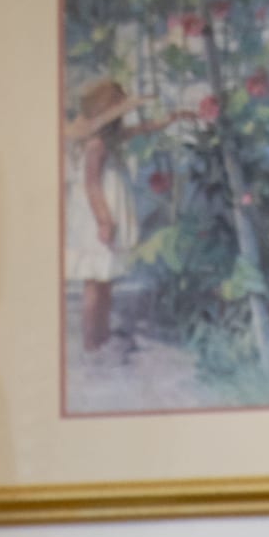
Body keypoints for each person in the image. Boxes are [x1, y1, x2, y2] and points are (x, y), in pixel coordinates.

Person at [63, 77, 182, 353]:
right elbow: (91, 184)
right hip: (97, 216)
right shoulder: (96, 145)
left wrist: (167, 121)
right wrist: (104, 220)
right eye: (117, 115)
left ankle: (101, 335)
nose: (121, 121)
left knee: (105, 279)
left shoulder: (110, 138)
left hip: (106, 213)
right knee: (94, 280)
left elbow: (140, 129)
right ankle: (92, 341)